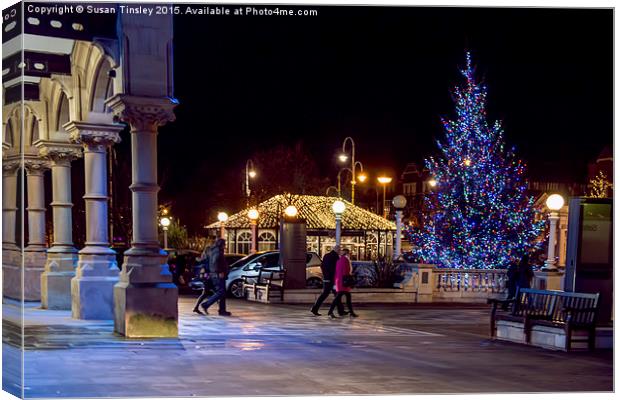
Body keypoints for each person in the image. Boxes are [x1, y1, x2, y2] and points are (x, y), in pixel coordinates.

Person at [193, 238, 231, 316]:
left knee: (221, 293)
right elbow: (215, 262)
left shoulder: (214, 250)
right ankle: (206, 304)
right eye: (224, 244)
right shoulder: (217, 251)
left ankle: (222, 310)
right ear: (221, 244)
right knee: (221, 292)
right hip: (217, 274)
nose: (225, 246)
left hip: (215, 274)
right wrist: (219, 271)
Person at [310, 245, 345, 316]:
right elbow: (335, 269)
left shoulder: (326, 256)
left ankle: (340, 311)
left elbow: (322, 266)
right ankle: (340, 311)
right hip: (333, 279)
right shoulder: (336, 257)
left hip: (327, 279)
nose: (340, 251)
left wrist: (325, 275)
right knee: (335, 295)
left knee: (327, 294)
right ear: (337, 250)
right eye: (339, 250)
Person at [327, 248, 358, 319]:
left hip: (339, 281)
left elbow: (337, 271)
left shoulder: (339, 260)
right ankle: (330, 312)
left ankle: (351, 312)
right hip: (344, 282)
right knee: (341, 298)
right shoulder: (346, 260)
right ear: (347, 253)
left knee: (343, 297)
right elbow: (346, 271)